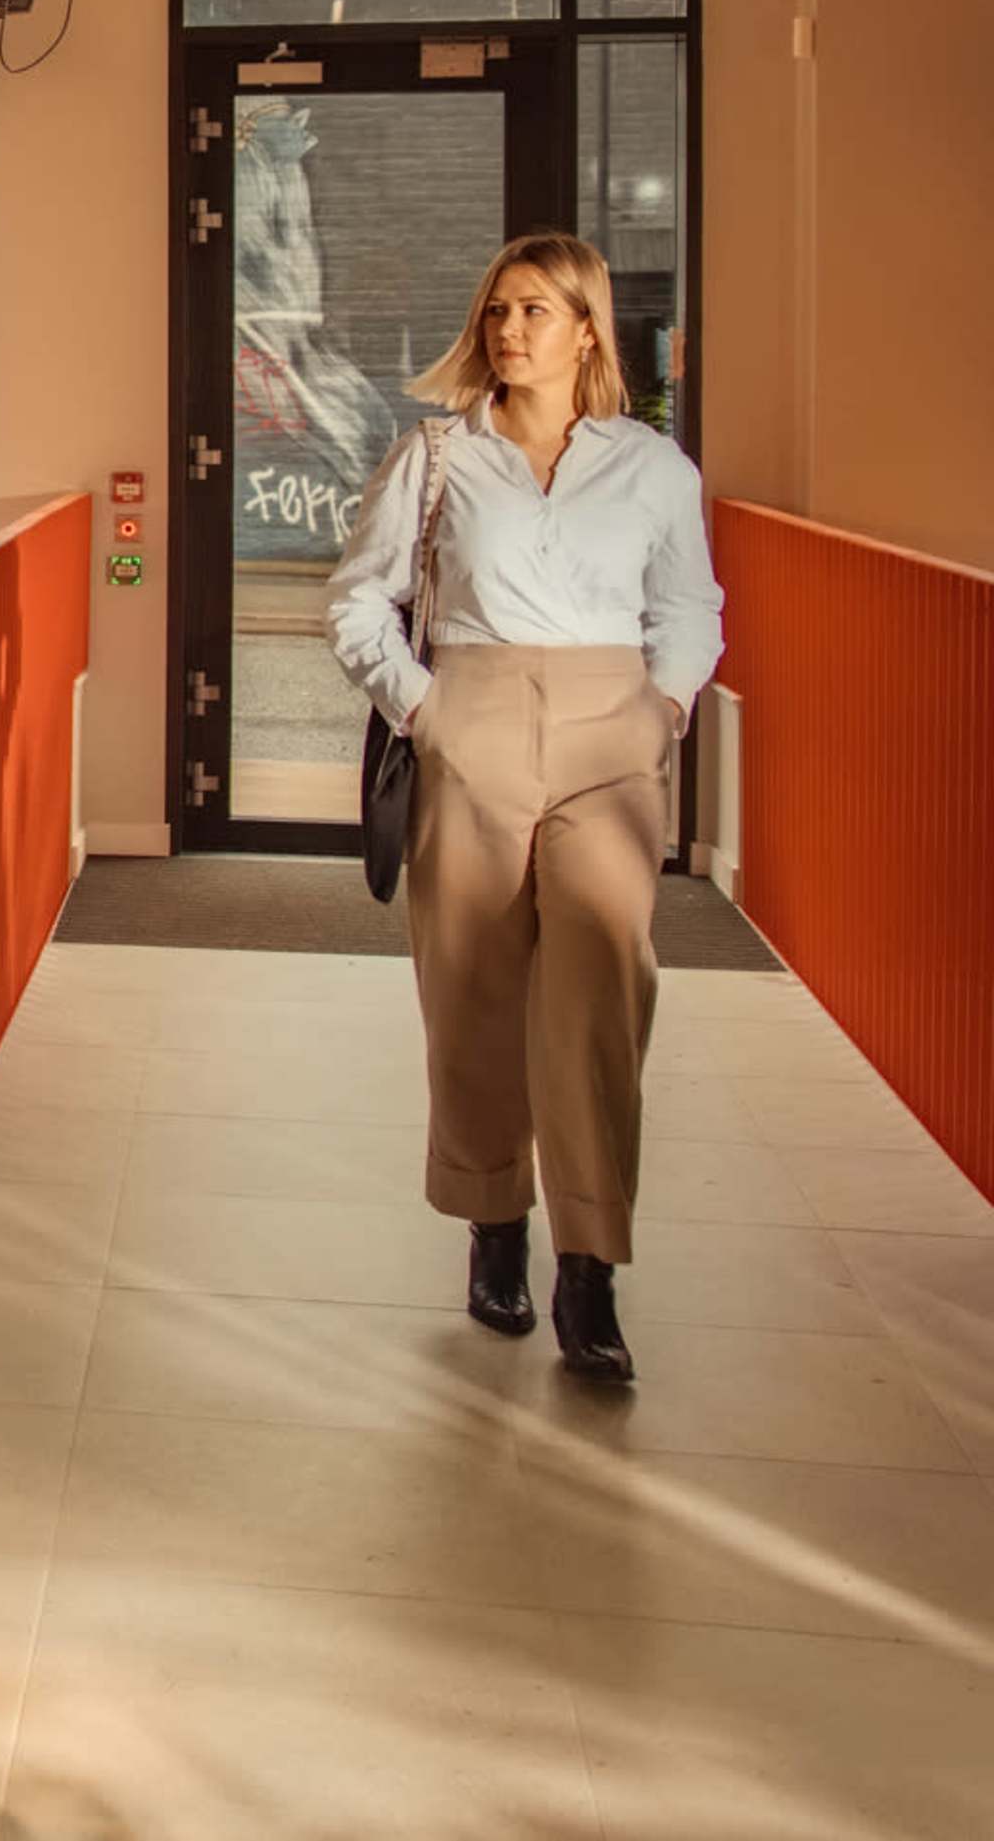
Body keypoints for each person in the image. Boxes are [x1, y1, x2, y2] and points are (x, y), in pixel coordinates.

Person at [325, 231, 723, 1385]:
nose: (509, 331)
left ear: (590, 329)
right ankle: (495, 1224)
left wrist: (661, 711)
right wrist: (426, 711)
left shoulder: (652, 468)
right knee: (473, 991)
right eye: (498, 310)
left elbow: (690, 605)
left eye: (537, 311)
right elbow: (358, 602)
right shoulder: (438, 457)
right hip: (473, 720)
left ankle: (589, 1265)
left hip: (612, 736)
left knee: (603, 987)